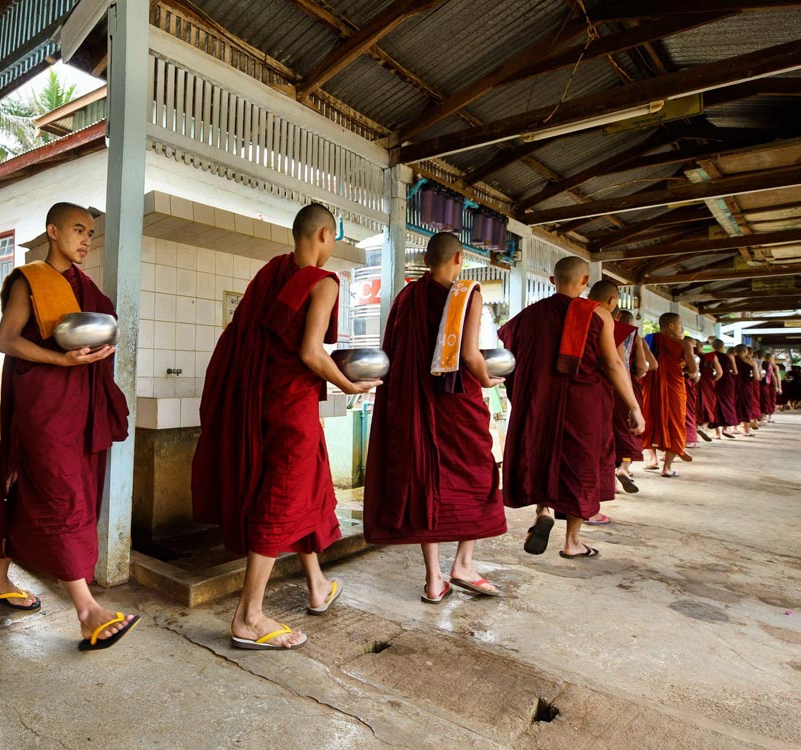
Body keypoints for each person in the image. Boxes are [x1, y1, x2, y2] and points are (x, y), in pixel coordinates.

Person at [193, 203, 379, 651]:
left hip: (264, 401)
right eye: (332, 239)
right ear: (323, 235)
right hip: (292, 410)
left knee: (308, 491)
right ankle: (248, 615)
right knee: (281, 499)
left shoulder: (271, 272)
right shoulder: (323, 282)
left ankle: (317, 584)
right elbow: (312, 354)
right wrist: (348, 383)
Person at [0, 203, 137, 651]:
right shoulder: (33, 279)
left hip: (77, 405)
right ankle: (87, 610)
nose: (85, 239)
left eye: (89, 232)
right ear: (52, 231)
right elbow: (7, 340)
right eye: (77, 230)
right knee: (60, 493)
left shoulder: (86, 287)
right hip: (43, 405)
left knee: (29, 489)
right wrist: (61, 359)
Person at [363, 232, 507, 602]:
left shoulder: (407, 297)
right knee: (477, 477)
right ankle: (463, 564)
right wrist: (489, 379)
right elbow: (472, 356)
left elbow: (391, 352)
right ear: (459, 258)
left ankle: (433, 579)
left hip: (415, 406)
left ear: (426, 261)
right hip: (456, 404)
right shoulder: (468, 293)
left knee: (427, 482)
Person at [499, 257, 643, 561]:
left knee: (543, 456)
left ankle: (543, 511)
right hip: (585, 406)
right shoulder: (598, 314)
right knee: (581, 467)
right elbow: (614, 364)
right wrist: (634, 406)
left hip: (541, 402)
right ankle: (573, 542)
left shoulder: (528, 316)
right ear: (585, 281)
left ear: (553, 281)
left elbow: (510, 361)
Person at [590, 285, 643, 499]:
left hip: (585, 391)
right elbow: (621, 365)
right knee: (617, 436)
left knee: (594, 440)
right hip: (617, 387)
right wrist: (634, 406)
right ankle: (621, 470)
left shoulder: (572, 317)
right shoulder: (623, 331)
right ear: (613, 303)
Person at [641, 313, 698, 477]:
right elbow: (693, 370)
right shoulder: (684, 345)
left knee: (649, 417)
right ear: (672, 326)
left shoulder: (647, 340)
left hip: (650, 386)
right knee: (676, 422)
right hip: (674, 387)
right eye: (680, 324)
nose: (681, 328)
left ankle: (652, 459)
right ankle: (667, 467)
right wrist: (684, 368)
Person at [708, 338, 738, 439]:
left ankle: (717, 433)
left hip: (715, 380)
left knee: (715, 404)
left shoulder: (711, 355)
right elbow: (735, 372)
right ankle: (726, 429)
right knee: (728, 403)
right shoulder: (729, 356)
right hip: (727, 382)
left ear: (712, 347)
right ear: (722, 346)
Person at [696, 341, 722, 442]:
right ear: (702, 346)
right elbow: (719, 373)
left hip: (694, 383)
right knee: (709, 406)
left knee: (694, 406)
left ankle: (692, 435)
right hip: (708, 384)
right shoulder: (711, 356)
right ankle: (702, 427)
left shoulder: (688, 354)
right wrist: (712, 380)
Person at [734, 345, 760, 434]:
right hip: (746, 386)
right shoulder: (751, 362)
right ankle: (746, 430)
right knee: (746, 407)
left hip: (733, 386)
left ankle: (733, 428)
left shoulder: (732, 360)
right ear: (746, 351)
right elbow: (756, 377)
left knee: (734, 405)